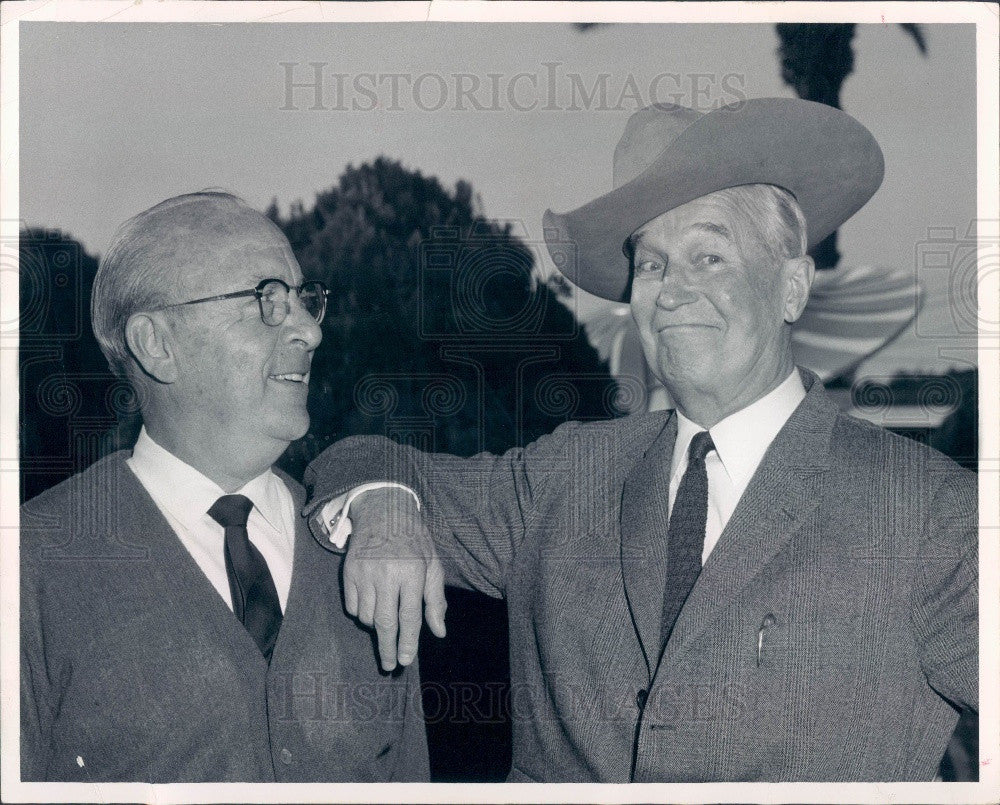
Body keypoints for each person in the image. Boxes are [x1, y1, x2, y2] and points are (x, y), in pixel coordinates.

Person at [302, 98, 978, 782]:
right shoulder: (563, 475)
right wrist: (386, 510)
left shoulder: (927, 513)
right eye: (651, 265)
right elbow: (361, 458)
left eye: (709, 255)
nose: (672, 291)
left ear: (792, 287)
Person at [19, 192, 429, 782]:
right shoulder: (31, 569)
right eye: (266, 300)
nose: (310, 332)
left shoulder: (370, 549)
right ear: (158, 344)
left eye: (304, 300)